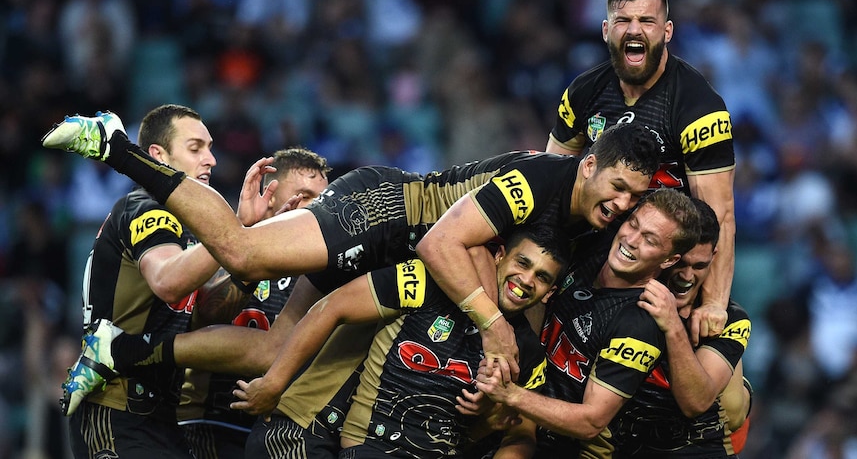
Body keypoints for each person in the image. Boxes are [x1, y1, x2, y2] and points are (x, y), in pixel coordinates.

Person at [42, 111, 662, 392]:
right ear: (588, 165)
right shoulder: (541, 180)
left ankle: (122, 352)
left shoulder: (589, 226)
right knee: (242, 254)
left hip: (399, 248)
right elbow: (441, 238)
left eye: (634, 197)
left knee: (276, 351)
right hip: (385, 209)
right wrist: (496, 327)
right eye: (617, 186)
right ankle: (116, 144)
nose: (622, 204)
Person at [232, 224, 570, 458]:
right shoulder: (426, 278)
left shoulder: (524, 351)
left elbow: (500, 430)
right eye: (522, 263)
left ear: (549, 292)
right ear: (498, 256)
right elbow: (330, 307)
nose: (526, 280)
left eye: (541, 277)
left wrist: (485, 414)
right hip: (313, 431)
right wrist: (273, 384)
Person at [546, 0, 736, 343]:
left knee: (724, 400)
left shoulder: (699, 108)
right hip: (591, 255)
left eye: (646, 21)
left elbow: (719, 215)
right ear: (606, 30)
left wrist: (713, 303)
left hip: (663, 267)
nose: (634, 30)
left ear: (666, 31)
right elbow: (554, 183)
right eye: (623, 21)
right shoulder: (582, 92)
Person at [474, 188, 700, 457]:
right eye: (633, 224)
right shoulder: (592, 246)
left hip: (560, 449)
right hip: (511, 422)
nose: (631, 240)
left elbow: (591, 422)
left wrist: (510, 394)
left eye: (649, 240)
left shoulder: (640, 321)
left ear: (670, 259)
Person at [61, 105, 221, 459]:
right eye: (196, 148)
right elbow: (167, 280)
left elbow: (198, 312)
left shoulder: (184, 231)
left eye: (210, 148)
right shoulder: (149, 209)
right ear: (157, 155)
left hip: (156, 416)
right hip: (118, 408)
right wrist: (234, 237)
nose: (210, 159)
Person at [178, 148, 331, 459]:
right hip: (211, 422)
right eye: (305, 195)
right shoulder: (227, 246)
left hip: (283, 431)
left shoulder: (326, 272)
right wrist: (254, 265)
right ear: (269, 196)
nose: (318, 207)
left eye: (324, 199)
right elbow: (202, 315)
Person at [588, 198, 751, 457]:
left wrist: (673, 325)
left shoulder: (729, 320)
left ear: (713, 257)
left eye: (700, 266)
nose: (687, 277)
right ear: (665, 257)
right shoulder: (620, 300)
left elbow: (697, 402)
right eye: (681, 264)